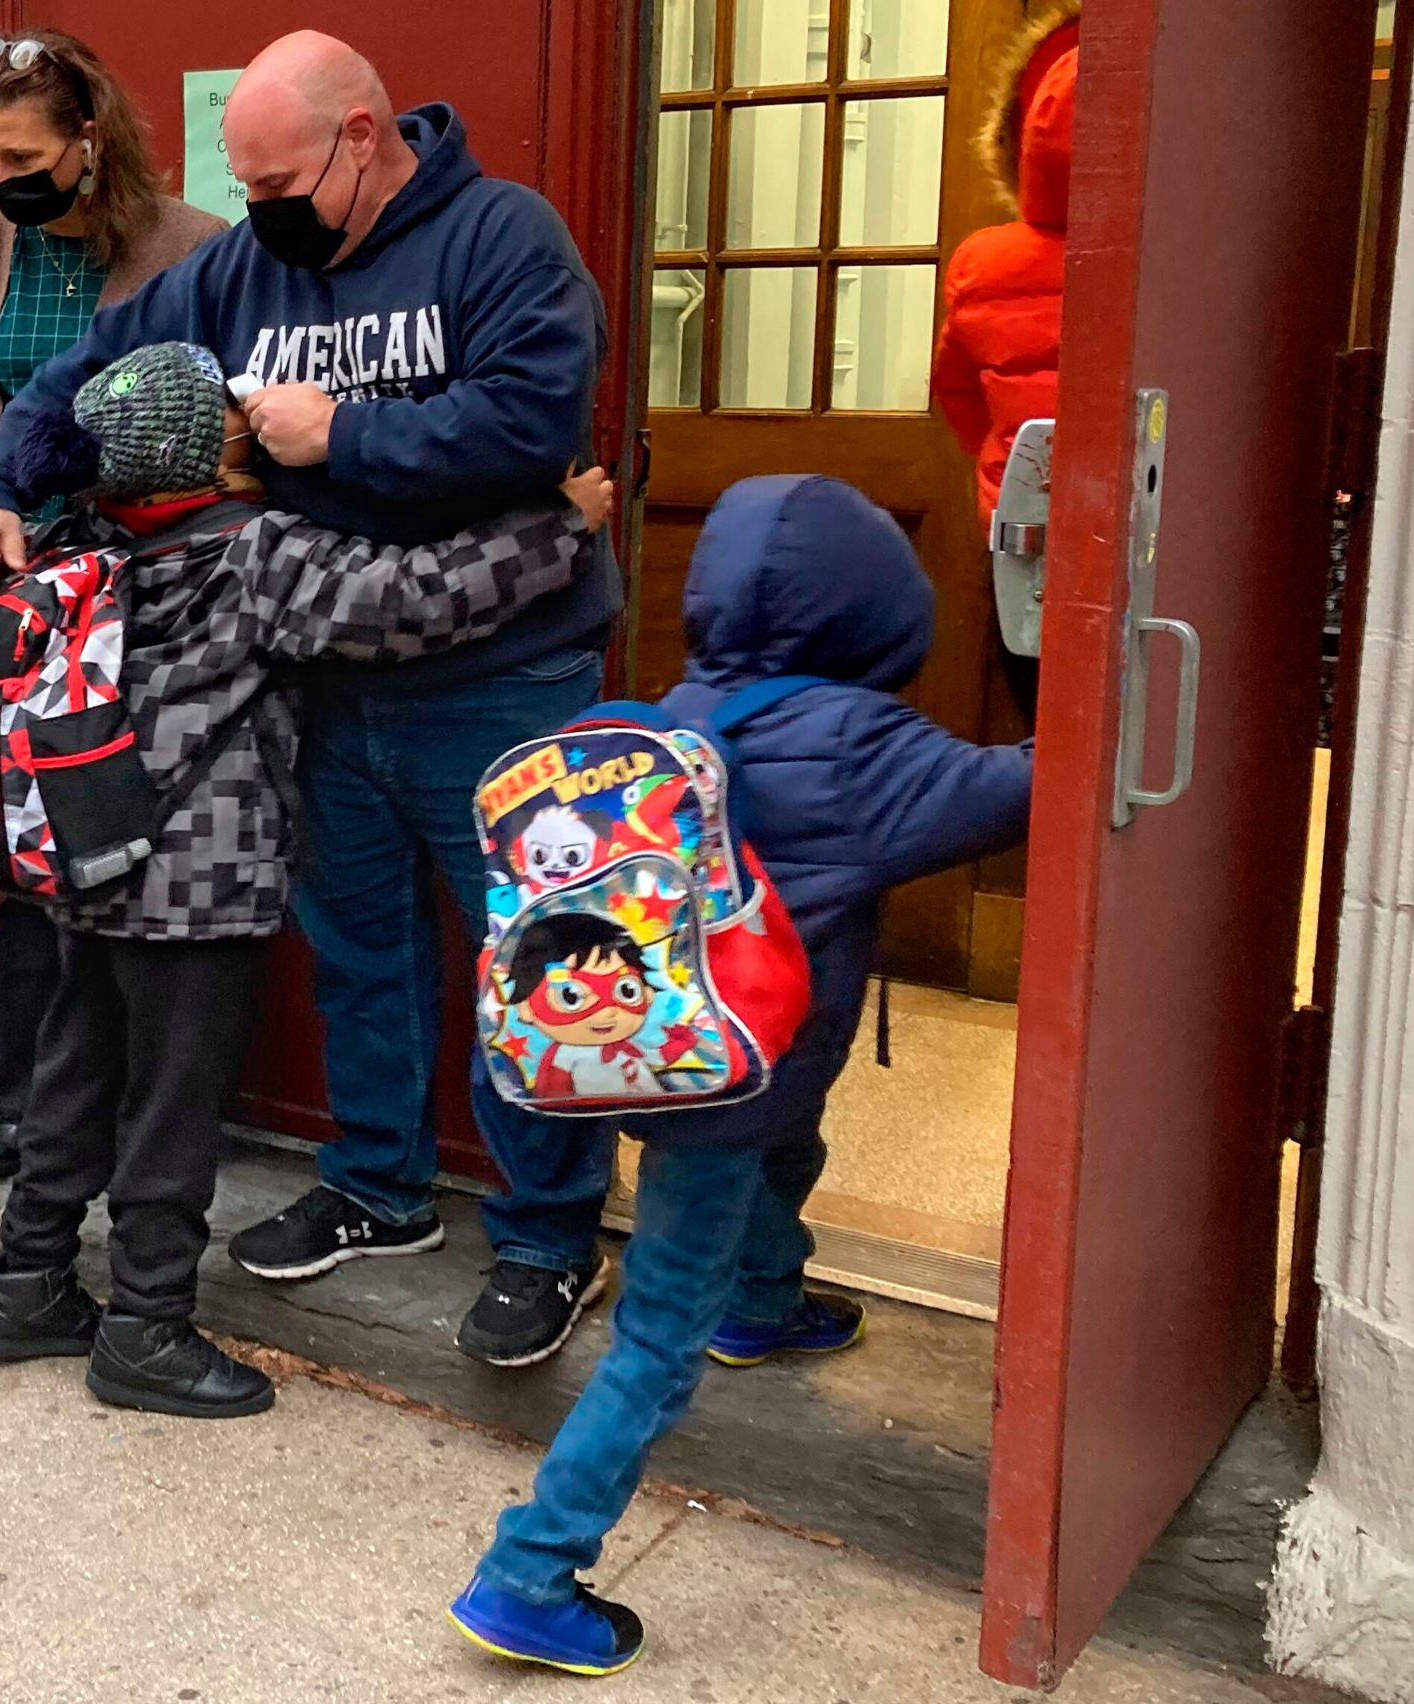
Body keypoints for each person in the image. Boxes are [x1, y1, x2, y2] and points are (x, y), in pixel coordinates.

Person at [0, 31, 624, 1369]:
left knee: (537, 956)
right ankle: (379, 1190)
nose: (259, 219)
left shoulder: (504, 239)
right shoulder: (246, 263)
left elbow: (537, 420)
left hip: (501, 682)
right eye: (245, 191)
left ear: (363, 138)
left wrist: (343, 436)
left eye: (280, 189)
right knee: (364, 950)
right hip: (319, 673)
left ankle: (549, 1238)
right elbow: (93, 369)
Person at [448, 476, 1034, 1675]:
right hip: (732, 1086)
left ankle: (763, 1306)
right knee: (658, 1334)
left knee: (792, 1149)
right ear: (882, 613)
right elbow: (1019, 793)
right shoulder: (867, 746)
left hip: (667, 1061)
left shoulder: (674, 718)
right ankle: (529, 1571)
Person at [0, 29, 225, 1185]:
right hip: (20, 594)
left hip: (156, 589)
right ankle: (35, 1103)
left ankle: (147, 1106)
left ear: (90, 141)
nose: (3, 178)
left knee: (146, 835)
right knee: (27, 845)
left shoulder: (195, 248)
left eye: (25, 155)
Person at [932, 0, 1079, 723]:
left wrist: (1003, 468)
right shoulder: (1179, 262)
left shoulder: (982, 262)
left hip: (1024, 535)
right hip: (1156, 540)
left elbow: (957, 393)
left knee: (1046, 731)